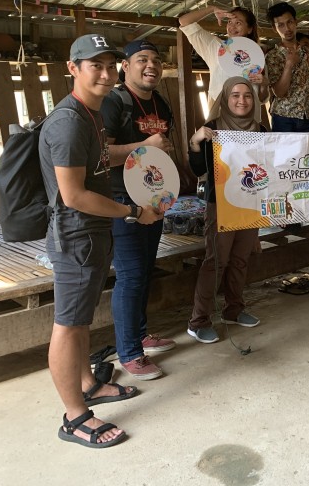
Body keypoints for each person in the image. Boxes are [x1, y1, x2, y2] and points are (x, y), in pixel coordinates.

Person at [39, 34, 163, 448]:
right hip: (75, 234)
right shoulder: (69, 121)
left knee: (81, 319)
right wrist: (132, 211)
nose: (106, 74)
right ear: (73, 68)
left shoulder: (91, 115)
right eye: (96, 66)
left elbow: (103, 160)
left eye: (111, 65)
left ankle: (88, 383)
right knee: (69, 325)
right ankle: (75, 417)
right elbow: (73, 194)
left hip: (91, 234)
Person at [100, 39, 176, 381]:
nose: (151, 65)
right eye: (142, 59)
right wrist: (144, 146)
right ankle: (129, 352)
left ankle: (140, 334)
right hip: (121, 199)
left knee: (145, 269)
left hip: (153, 198)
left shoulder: (161, 104)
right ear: (125, 66)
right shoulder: (114, 103)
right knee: (130, 275)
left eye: (156, 60)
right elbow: (101, 155)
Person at [187, 77, 265, 344]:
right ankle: (198, 321)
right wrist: (196, 141)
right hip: (220, 205)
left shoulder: (262, 131)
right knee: (216, 262)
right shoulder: (212, 128)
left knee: (241, 259)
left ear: (254, 101)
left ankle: (234, 309)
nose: (241, 100)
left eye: (247, 95)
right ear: (225, 99)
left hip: (251, 204)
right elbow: (199, 171)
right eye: (235, 95)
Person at [178, 5, 270, 126]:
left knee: (248, 145)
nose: (232, 27)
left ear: (250, 29)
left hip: (248, 123)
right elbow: (184, 22)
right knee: (218, 145)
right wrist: (212, 9)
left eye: (238, 23)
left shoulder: (257, 56)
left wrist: (263, 84)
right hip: (219, 119)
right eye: (229, 22)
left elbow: (262, 99)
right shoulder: (215, 47)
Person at [265, 2, 309, 132]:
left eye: (289, 22)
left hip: (306, 116)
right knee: (285, 153)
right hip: (283, 117)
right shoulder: (273, 56)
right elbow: (279, 92)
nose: (287, 28)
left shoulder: (307, 52)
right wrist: (289, 65)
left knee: (306, 153)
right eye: (281, 25)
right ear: (275, 28)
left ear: (296, 22)